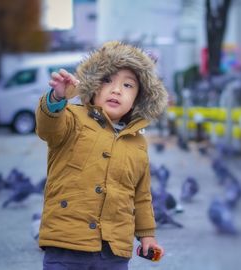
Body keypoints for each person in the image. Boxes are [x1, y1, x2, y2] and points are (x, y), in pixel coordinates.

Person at [36, 41, 168, 270]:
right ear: (94, 86)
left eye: (128, 85)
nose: (116, 90)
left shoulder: (137, 143)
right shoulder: (72, 118)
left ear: (139, 98)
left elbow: (141, 196)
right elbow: (48, 128)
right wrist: (57, 100)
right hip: (67, 245)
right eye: (107, 81)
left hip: (114, 252)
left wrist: (147, 236)